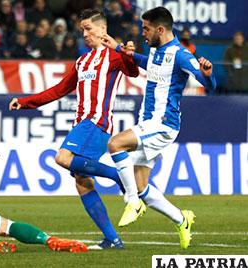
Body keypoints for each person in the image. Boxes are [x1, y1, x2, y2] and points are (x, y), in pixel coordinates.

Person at [9, 9, 139, 250]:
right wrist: (26, 102)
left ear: (103, 30)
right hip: (82, 123)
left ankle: (118, 176)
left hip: (97, 121)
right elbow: (58, 90)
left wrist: (125, 51)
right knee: (82, 182)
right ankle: (113, 239)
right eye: (82, 30)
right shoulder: (82, 61)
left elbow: (132, 71)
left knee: (63, 157)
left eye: (89, 28)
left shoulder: (113, 56)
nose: (85, 34)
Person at [102, 7, 216, 249]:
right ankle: (181, 218)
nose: (142, 32)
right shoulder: (155, 50)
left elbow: (208, 83)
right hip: (149, 121)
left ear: (160, 29)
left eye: (146, 28)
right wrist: (118, 48)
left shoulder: (181, 55)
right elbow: (148, 63)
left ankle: (131, 201)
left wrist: (208, 75)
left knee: (115, 143)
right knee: (142, 186)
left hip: (164, 124)